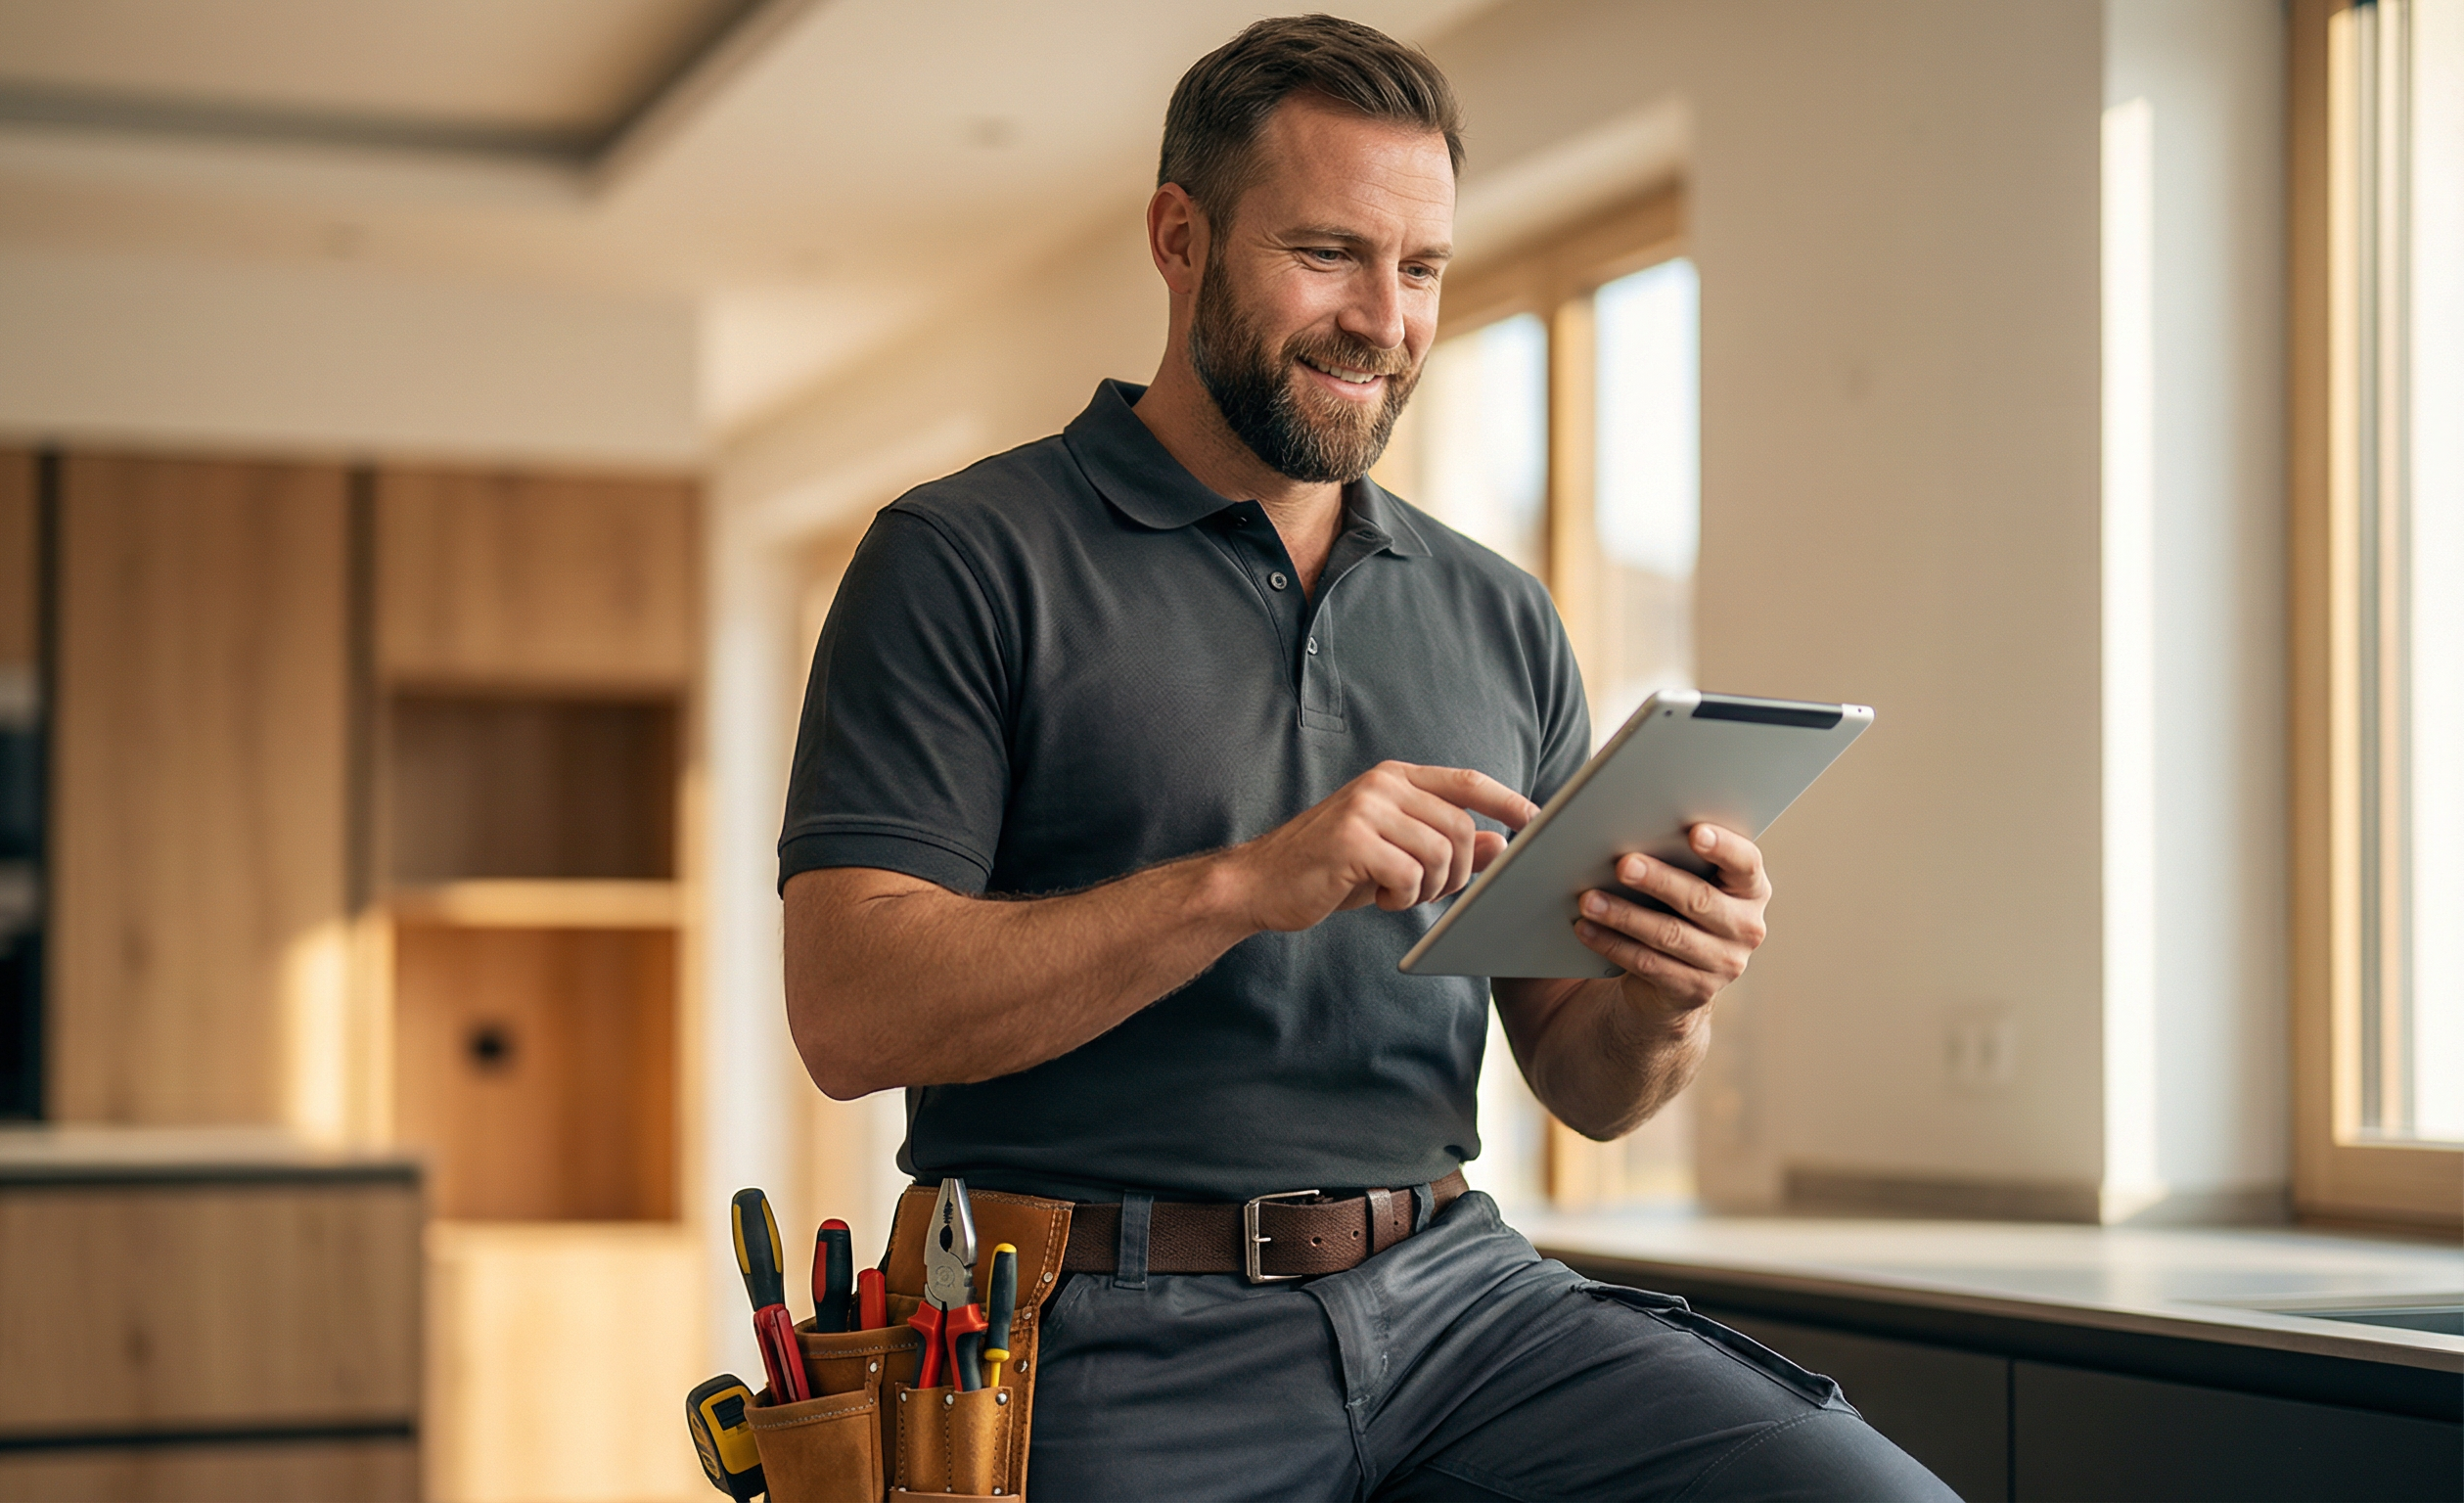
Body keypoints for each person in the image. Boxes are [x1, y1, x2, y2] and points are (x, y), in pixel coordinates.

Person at [779, 15, 1955, 1500]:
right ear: (1179, 237)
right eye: (1329, 254)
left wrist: (1669, 996)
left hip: (1459, 1307)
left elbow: (1589, 1084)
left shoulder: (1499, 615)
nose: (1385, 319)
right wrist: (1245, 887)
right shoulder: (963, 559)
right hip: (1099, 1332)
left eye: (1423, 269)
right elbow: (847, 1012)